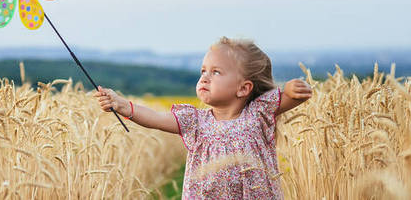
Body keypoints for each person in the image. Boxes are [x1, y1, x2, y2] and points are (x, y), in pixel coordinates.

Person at [95, 36, 312, 199]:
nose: (205, 77)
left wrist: (291, 90)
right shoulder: (195, 122)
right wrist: (122, 105)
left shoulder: (258, 114)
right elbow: (156, 118)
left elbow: (291, 98)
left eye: (216, 72)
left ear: (244, 88)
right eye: (203, 71)